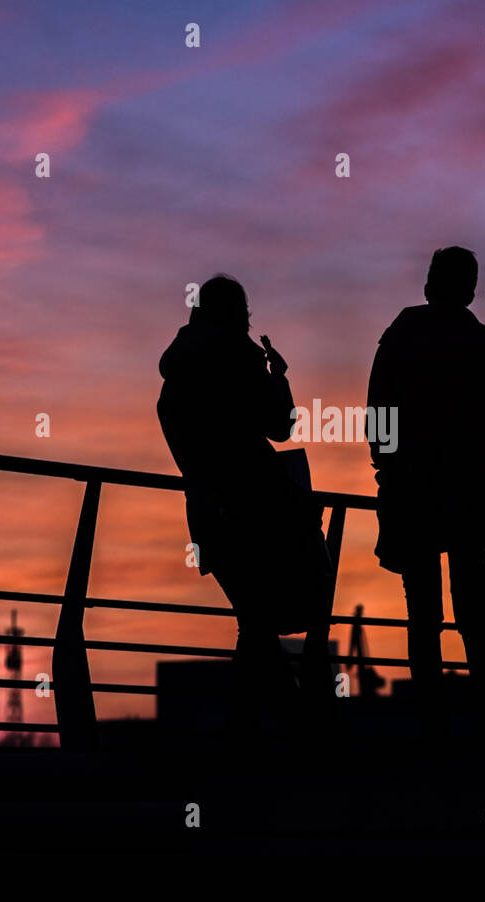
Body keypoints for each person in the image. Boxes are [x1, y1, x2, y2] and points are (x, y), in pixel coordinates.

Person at [157, 275, 330, 732]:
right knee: (279, 612)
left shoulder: (175, 376)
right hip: (258, 506)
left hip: (209, 510)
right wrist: (279, 377)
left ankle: (260, 733)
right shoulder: (238, 358)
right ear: (238, 315)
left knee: (253, 620)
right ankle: (287, 730)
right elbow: (280, 426)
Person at [366, 247, 485, 734]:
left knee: (423, 615)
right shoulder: (481, 344)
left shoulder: (403, 334)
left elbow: (378, 410)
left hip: (413, 491)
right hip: (468, 491)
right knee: (475, 614)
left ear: (431, 283)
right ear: (469, 287)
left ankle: (432, 727)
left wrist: (387, 471)